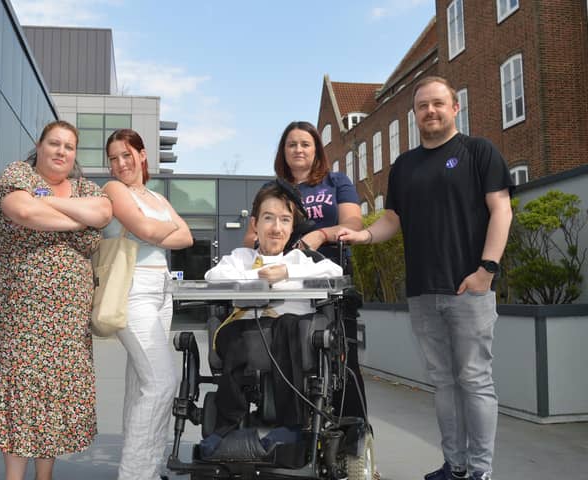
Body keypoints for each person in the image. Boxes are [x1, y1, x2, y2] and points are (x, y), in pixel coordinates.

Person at [338, 76, 513, 480]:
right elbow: (392, 220)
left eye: (438, 103)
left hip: (469, 288)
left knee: (474, 379)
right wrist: (362, 234)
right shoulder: (404, 166)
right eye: (422, 106)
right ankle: (455, 466)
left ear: (455, 107)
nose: (430, 111)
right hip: (421, 292)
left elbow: (501, 210)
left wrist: (486, 269)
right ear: (415, 114)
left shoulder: (478, 152)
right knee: (444, 383)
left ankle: (480, 472)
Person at [0, 120, 112, 480]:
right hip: (21, 315)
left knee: (51, 399)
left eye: (69, 146)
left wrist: (56, 209)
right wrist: (77, 218)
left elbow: (104, 213)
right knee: (21, 394)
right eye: (55, 143)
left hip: (67, 322)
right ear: (40, 145)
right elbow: (24, 211)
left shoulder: (83, 187)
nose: (61, 151)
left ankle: (44, 477)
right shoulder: (19, 174)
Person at [243, 121, 367, 420]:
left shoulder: (336, 182)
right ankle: (293, 422)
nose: (298, 149)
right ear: (283, 152)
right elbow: (251, 237)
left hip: (328, 277)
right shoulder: (271, 189)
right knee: (288, 349)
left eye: (305, 144)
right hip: (286, 281)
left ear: (316, 150)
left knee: (343, 358)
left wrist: (321, 235)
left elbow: (353, 225)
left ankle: (354, 431)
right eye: (291, 144)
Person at [206, 181, 343, 431]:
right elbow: (213, 277)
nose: (276, 228)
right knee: (233, 334)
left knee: (289, 325)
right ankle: (227, 430)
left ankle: (290, 428)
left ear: (292, 228)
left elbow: (335, 271)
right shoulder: (240, 258)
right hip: (246, 333)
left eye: (285, 220)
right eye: (268, 218)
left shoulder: (299, 259)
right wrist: (258, 278)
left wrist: (287, 272)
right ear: (255, 224)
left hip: (292, 335)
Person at [103, 128, 193, 480]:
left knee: (142, 384)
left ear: (142, 155)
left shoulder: (156, 197)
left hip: (161, 290)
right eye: (113, 158)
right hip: (132, 287)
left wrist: (158, 230)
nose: (121, 163)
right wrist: (160, 229)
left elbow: (187, 237)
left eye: (127, 154)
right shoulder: (113, 190)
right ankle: (134, 474)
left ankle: (148, 468)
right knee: (161, 382)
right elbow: (149, 230)